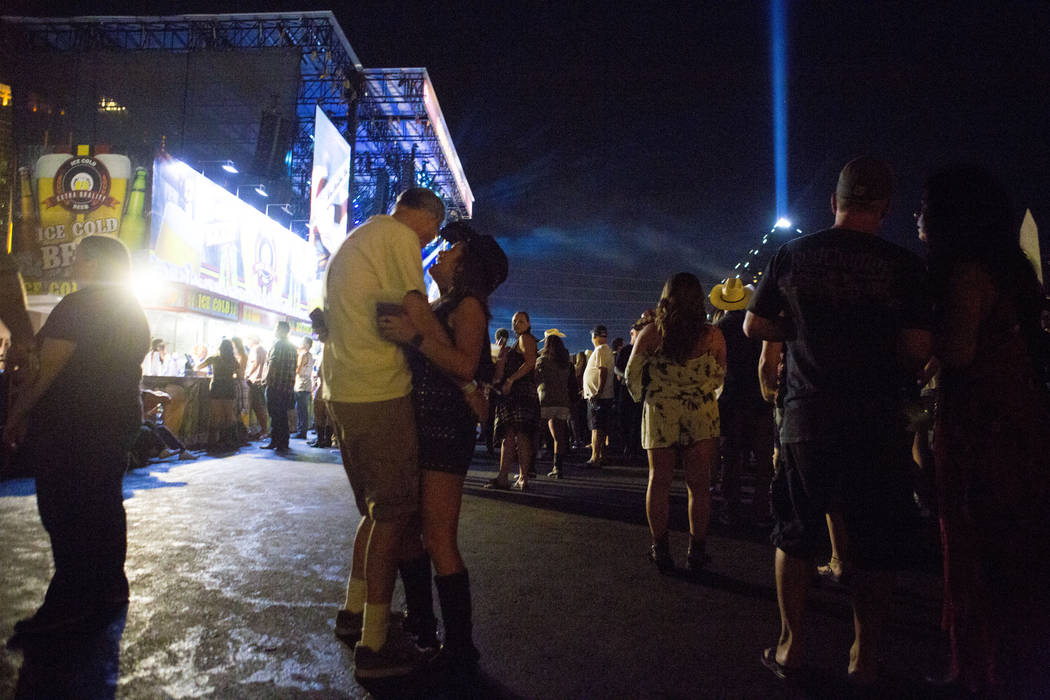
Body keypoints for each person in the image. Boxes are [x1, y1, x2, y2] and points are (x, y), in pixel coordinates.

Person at [744, 156, 933, 684]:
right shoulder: (904, 266)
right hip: (877, 419)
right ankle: (863, 659)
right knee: (874, 542)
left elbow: (753, 323)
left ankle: (791, 648)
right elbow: (918, 348)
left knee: (796, 532)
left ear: (834, 202)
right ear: (886, 208)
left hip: (807, 414)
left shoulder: (792, 254)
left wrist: (801, 328)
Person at [918, 165, 1050, 695]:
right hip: (1016, 417)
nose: (919, 216)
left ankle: (976, 671)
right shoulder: (1012, 270)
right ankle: (1006, 666)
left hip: (979, 424)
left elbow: (959, 349)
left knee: (972, 542)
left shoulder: (966, 272)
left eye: (926, 206)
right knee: (1012, 543)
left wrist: (916, 343)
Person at [322, 187, 446, 678]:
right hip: (378, 392)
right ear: (428, 219)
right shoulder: (398, 237)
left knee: (375, 514)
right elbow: (413, 308)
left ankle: (356, 614)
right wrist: (457, 361)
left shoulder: (361, 235)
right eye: (434, 234)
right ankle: (375, 646)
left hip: (344, 389)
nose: (432, 244)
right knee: (394, 516)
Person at [4, 235, 150, 644]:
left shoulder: (78, 306)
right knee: (103, 504)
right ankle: (108, 588)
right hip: (117, 418)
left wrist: (17, 415)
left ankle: (70, 602)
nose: (73, 265)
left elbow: (48, 372)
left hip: (73, 422)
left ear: (96, 264)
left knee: (65, 509)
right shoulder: (131, 310)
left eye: (80, 259)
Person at [378, 221, 507, 673]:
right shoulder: (443, 303)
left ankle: (459, 647)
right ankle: (421, 625)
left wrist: (413, 336)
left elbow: (465, 364)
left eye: (452, 248)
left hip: (444, 429)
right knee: (410, 531)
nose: (443, 252)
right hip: (421, 425)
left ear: (466, 263)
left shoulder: (468, 305)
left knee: (437, 536)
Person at [626, 273, 726, 574]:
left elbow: (631, 374)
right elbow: (720, 376)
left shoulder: (651, 334)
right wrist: (702, 392)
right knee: (699, 486)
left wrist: (644, 396)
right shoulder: (712, 335)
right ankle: (697, 551)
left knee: (659, 481)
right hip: (700, 413)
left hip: (660, 412)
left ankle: (661, 548)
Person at [710, 278, 775, 528]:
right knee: (762, 461)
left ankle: (731, 508)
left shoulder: (719, 329)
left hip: (730, 400)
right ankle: (761, 508)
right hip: (759, 399)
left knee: (733, 458)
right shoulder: (758, 325)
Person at [486, 311, 540, 490]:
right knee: (512, 437)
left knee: (516, 437)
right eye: (514, 321)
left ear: (528, 323)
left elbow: (530, 362)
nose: (517, 324)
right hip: (515, 395)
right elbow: (499, 369)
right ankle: (511, 478)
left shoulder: (526, 338)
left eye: (521, 321)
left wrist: (511, 380)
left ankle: (516, 478)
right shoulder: (515, 343)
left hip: (519, 393)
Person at [536, 329, 573, 478]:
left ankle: (529, 467)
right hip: (562, 401)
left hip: (545, 400)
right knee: (559, 436)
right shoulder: (566, 362)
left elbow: (536, 379)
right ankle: (558, 468)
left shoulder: (542, 360)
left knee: (535, 434)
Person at [197, 338, 241, 451]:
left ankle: (213, 442)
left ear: (220, 348)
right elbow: (239, 375)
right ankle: (230, 440)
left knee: (216, 415)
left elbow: (198, 367)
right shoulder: (234, 360)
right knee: (229, 415)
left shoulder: (214, 358)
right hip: (229, 387)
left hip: (216, 386)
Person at [582, 324, 616, 466]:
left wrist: (598, 392)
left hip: (599, 397)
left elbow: (603, 371)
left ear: (594, 337)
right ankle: (600, 455)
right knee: (601, 426)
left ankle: (594, 457)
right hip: (600, 395)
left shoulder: (601, 349)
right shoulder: (604, 350)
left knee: (596, 427)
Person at [262, 321, 297, 451]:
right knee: (282, 415)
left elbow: (273, 364)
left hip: (276, 385)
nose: (274, 330)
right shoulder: (292, 347)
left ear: (281, 330)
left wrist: (267, 379)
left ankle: (275, 441)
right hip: (287, 387)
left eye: (276, 328)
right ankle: (283, 442)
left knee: (275, 415)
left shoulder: (278, 345)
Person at [244, 335, 269, 439]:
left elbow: (255, 364)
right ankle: (263, 430)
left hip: (255, 381)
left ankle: (264, 431)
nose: (247, 342)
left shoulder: (256, 348)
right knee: (259, 407)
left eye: (248, 339)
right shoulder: (262, 349)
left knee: (258, 407)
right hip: (259, 381)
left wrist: (247, 375)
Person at [293, 337, 314, 439]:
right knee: (302, 408)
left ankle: (301, 432)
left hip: (301, 384)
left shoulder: (303, 355)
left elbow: (298, 370)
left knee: (301, 409)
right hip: (307, 384)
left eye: (302, 342)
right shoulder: (310, 355)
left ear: (306, 344)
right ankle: (302, 431)